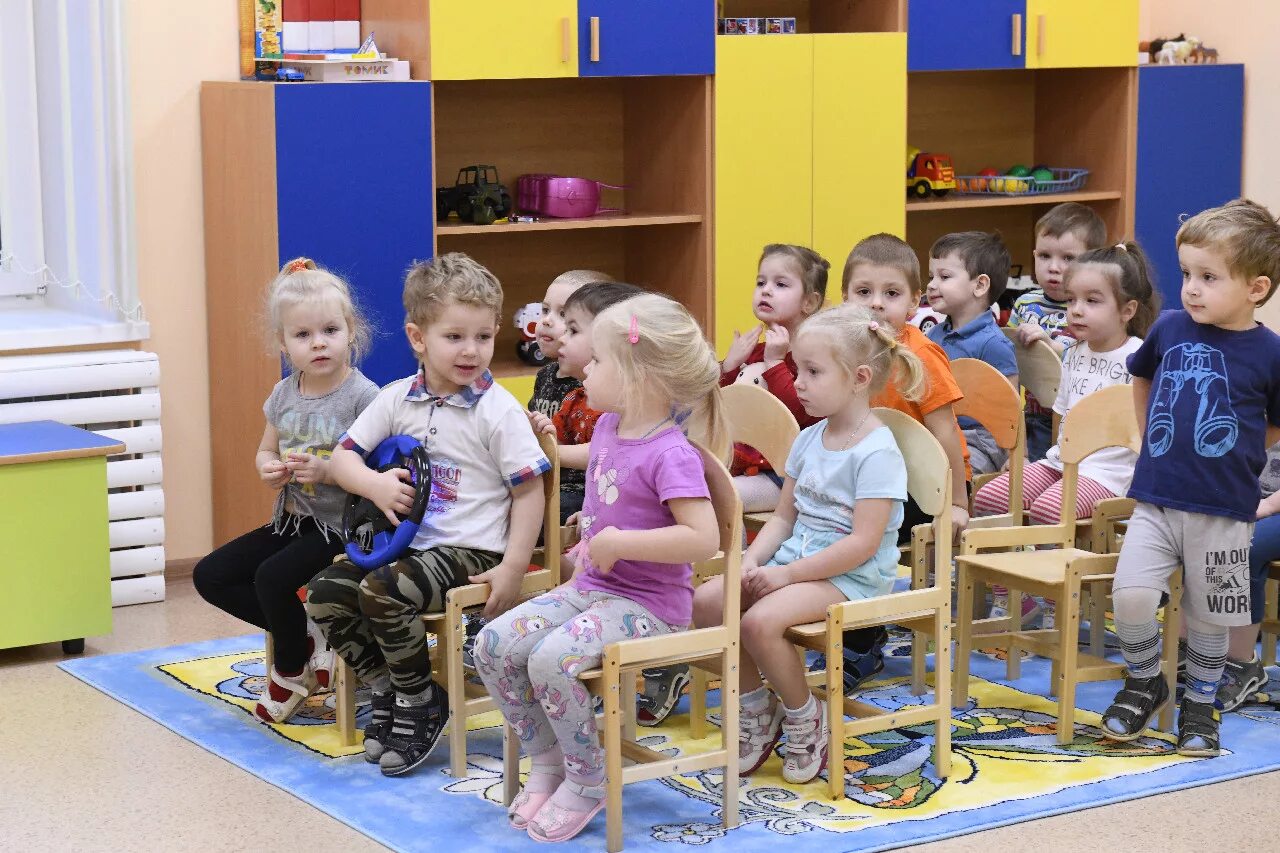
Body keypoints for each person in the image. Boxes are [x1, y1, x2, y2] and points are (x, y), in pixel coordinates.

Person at [474, 294, 725, 842]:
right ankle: (549, 760)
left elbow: (704, 539)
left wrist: (620, 541)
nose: (585, 367)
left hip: (650, 607)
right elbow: (602, 461)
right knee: (493, 645)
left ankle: (588, 779)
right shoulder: (611, 425)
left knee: (550, 660)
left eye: (600, 360)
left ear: (639, 376)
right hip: (594, 588)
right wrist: (546, 449)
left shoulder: (672, 453)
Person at [304, 253, 550, 777]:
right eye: (455, 337)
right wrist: (372, 482)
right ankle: (388, 687)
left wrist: (513, 566)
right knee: (325, 592)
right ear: (418, 338)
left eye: (483, 337)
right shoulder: (397, 398)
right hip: (410, 548)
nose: (471, 351)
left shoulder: (498, 410)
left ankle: (420, 701)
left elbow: (530, 492)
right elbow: (344, 456)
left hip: (473, 549)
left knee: (383, 591)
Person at [693, 304, 919, 784]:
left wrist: (784, 575)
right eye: (798, 368)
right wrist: (751, 559)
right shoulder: (809, 437)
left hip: (850, 576)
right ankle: (758, 710)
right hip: (795, 561)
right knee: (709, 602)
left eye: (813, 372)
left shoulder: (877, 451)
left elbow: (863, 544)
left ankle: (805, 717)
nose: (797, 382)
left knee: (758, 622)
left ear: (859, 378)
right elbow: (782, 516)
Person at [1101, 199, 1280, 757]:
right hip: (1156, 500)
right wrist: (1149, 434)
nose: (1191, 289)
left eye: (1209, 277)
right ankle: (1145, 681)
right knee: (1130, 597)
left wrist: (1237, 455)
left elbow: (1272, 424)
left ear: (1256, 288)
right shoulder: (1172, 328)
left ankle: (1199, 705)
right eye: (1186, 275)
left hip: (1224, 510)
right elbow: (1142, 378)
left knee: (1210, 618)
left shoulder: (1270, 352)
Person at [193, 257, 378, 724]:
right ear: (282, 343)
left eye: (330, 330)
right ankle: (308, 634)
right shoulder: (283, 394)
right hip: (293, 518)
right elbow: (264, 450)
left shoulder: (364, 397)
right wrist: (269, 469)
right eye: (302, 335)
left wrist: (328, 470)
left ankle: (291, 669)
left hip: (343, 525)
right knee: (210, 575)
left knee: (272, 578)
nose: (318, 342)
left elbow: (374, 472)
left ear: (350, 331)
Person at [973, 241, 1160, 628]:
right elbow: (1062, 419)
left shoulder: (1140, 358)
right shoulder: (1074, 353)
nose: (1076, 309)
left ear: (1127, 310)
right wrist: (1051, 462)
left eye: (1092, 301)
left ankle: (1056, 598)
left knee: (1047, 509)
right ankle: (1018, 600)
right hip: (1063, 461)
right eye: (1073, 299)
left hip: (1110, 474)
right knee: (990, 498)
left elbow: (1149, 428)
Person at [837, 233, 971, 691]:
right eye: (863, 292)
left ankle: (863, 640)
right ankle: (826, 620)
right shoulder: (846, 350)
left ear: (914, 302)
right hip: (871, 480)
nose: (876, 305)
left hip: (922, 488)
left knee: (857, 529)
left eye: (891, 294)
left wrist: (956, 503)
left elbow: (944, 432)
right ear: (844, 298)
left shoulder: (921, 355)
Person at [719, 244, 829, 513]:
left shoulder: (817, 355)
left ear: (809, 303)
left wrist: (775, 363)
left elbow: (805, 412)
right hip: (745, 466)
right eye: (761, 282)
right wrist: (730, 367)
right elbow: (727, 411)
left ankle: (741, 555)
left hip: (790, 477)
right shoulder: (758, 351)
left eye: (780, 284)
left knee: (719, 498)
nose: (766, 290)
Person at [1008, 203, 1108, 461]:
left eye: (1067, 258)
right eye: (1044, 256)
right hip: (1024, 414)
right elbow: (1009, 357)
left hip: (1067, 420)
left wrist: (1052, 349)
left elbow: (1094, 363)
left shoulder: (1090, 311)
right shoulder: (1024, 303)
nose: (1054, 267)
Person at [925, 230, 1019, 474]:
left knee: (943, 472)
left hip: (980, 440)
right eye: (931, 276)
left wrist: (1017, 458)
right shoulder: (933, 335)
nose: (931, 285)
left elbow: (1009, 409)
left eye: (944, 276)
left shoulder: (993, 344)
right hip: (939, 430)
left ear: (979, 285)